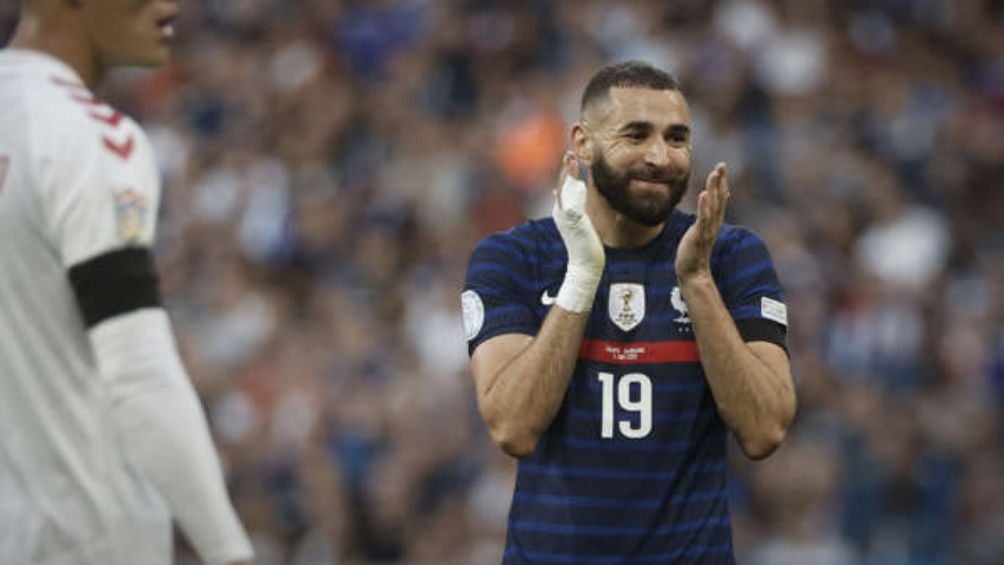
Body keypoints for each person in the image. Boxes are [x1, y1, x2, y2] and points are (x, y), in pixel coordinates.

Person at [462, 60, 797, 563]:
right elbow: (513, 427)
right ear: (582, 142)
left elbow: (765, 429)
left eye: (677, 138)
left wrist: (698, 283)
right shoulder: (513, 258)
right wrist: (582, 275)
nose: (660, 156)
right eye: (636, 135)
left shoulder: (730, 256)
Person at [0, 1, 254, 564]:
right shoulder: (91, 138)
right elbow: (139, 374)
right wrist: (229, 550)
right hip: (84, 534)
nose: (170, 6)